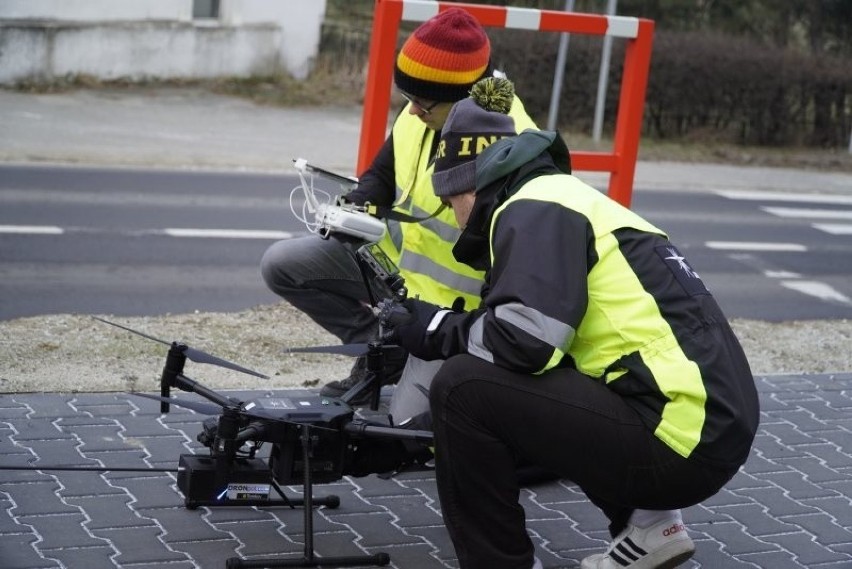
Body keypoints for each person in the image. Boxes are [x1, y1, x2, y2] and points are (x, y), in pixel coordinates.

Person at [382, 77, 760, 569]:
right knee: (548, 378)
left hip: (679, 438)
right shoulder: (564, 197)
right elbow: (541, 337)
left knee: (461, 389)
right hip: (707, 423)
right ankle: (650, 526)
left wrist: (433, 330)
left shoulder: (531, 210)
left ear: (470, 184)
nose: (454, 219)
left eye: (451, 201)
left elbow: (523, 344)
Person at [260, 8, 536, 422]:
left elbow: (517, 265)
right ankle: (382, 350)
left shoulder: (507, 143)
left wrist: (448, 332)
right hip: (397, 272)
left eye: (421, 103)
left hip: (454, 308)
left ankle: (420, 358)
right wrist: (359, 204)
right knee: (282, 264)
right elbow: (384, 171)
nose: (411, 113)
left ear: (465, 98)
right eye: (407, 98)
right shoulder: (426, 110)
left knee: (410, 428)